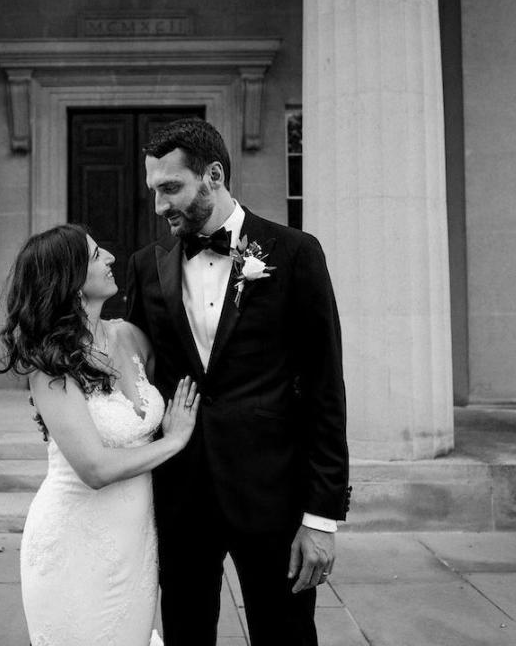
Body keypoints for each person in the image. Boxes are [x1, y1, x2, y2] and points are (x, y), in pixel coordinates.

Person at [125, 118, 350, 646]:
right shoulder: (144, 267)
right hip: (181, 497)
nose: (159, 206)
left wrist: (322, 515)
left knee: (286, 637)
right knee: (186, 633)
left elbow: (325, 388)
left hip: (273, 495)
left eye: (171, 188)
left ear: (214, 175)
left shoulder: (295, 253)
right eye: (153, 191)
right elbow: (131, 375)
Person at [0, 223, 200, 646]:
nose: (110, 257)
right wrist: (173, 441)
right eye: (94, 255)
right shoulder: (49, 364)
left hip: (135, 540)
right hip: (73, 539)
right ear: (68, 281)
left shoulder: (130, 336)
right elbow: (94, 467)